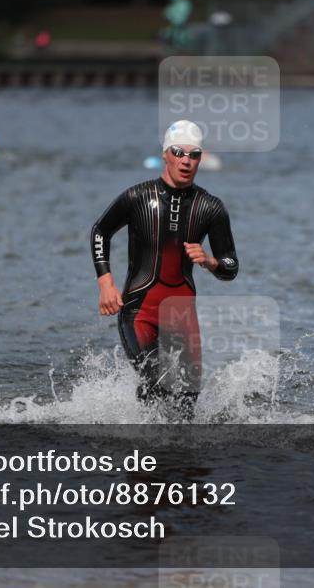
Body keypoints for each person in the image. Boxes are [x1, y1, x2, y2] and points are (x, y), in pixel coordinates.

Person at [90, 120, 239, 418]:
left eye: (194, 154)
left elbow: (231, 267)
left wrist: (210, 262)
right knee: (154, 381)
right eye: (179, 152)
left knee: (188, 401)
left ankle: (175, 457)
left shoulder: (211, 208)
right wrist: (106, 283)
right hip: (139, 311)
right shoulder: (137, 197)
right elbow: (99, 232)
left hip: (182, 315)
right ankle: (144, 451)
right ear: (165, 155)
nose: (186, 161)